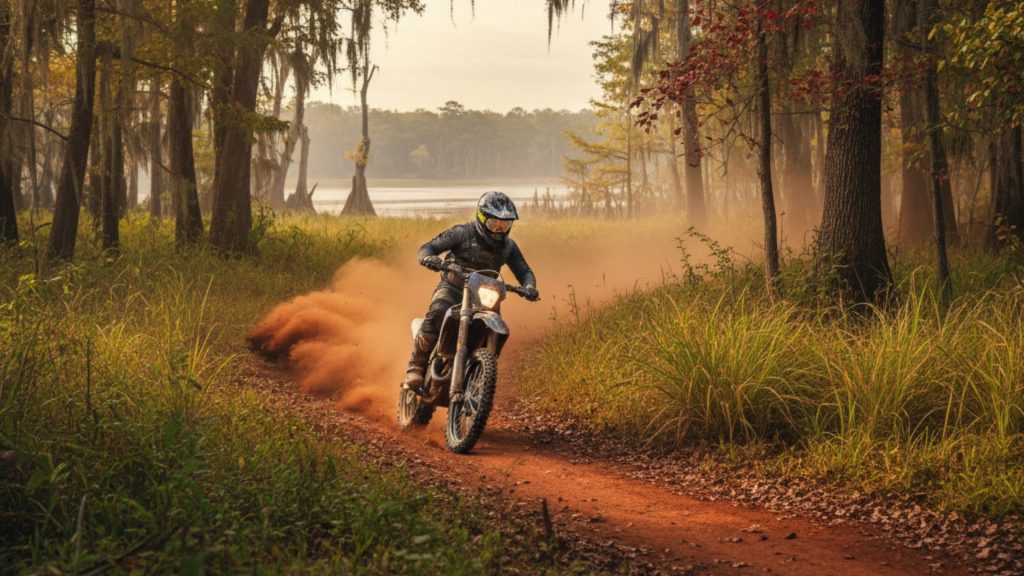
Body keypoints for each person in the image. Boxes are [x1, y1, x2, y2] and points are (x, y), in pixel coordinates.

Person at [403, 191, 539, 392]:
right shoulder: (462, 233)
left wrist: (529, 287)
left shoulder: (508, 246)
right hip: (452, 287)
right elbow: (428, 247)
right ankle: (415, 368)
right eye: (494, 224)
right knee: (437, 313)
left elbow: (524, 270)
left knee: (496, 328)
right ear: (482, 219)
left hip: (483, 294)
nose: (499, 231)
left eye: (505, 225)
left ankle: (481, 375)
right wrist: (429, 258)